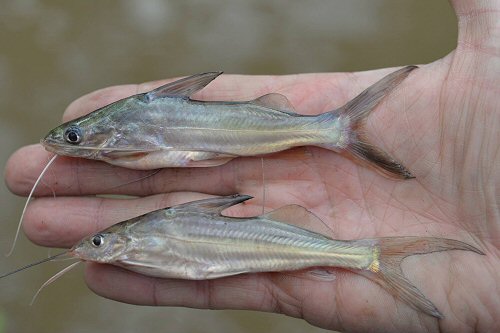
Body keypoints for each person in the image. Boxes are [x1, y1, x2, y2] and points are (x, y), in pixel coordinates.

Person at [4, 0, 499, 331]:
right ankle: (360, 241)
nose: (68, 145)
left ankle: (338, 141)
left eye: (74, 138)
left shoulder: (131, 173)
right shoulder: (134, 209)